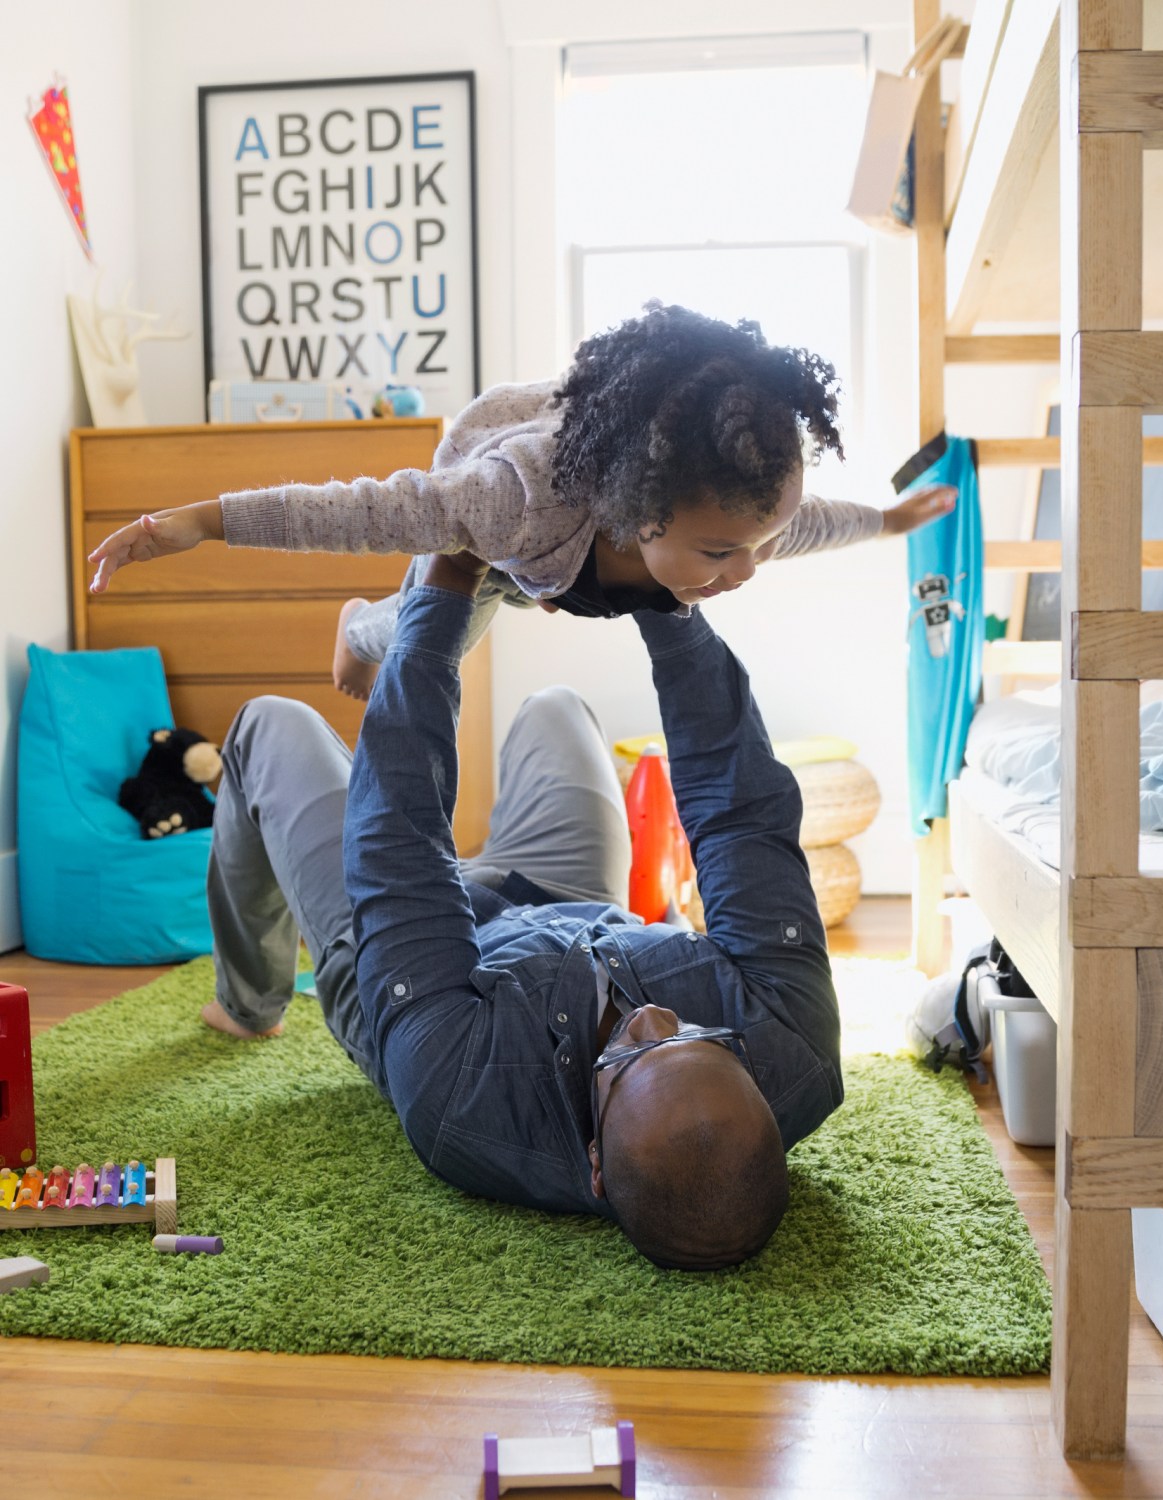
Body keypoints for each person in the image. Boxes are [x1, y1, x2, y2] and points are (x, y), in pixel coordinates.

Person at [206, 549, 842, 1270]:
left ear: (595, 1164)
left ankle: (248, 1002)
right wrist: (659, 589)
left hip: (419, 968)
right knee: (557, 706)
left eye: (630, 1054)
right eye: (699, 1036)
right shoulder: (794, 1040)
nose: (653, 1017)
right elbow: (738, 814)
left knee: (269, 724)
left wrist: (444, 591)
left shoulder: (459, 1097)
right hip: (573, 907)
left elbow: (401, 839)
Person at [86, 304, 956, 701]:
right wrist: (198, 522)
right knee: (437, 637)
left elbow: (808, 524)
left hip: (574, 537)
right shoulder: (512, 505)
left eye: (753, 548)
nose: (745, 573)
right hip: (505, 524)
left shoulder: (732, 517)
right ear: (638, 511)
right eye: (721, 554)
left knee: (749, 551)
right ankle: (360, 626)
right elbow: (359, 510)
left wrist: (888, 522)